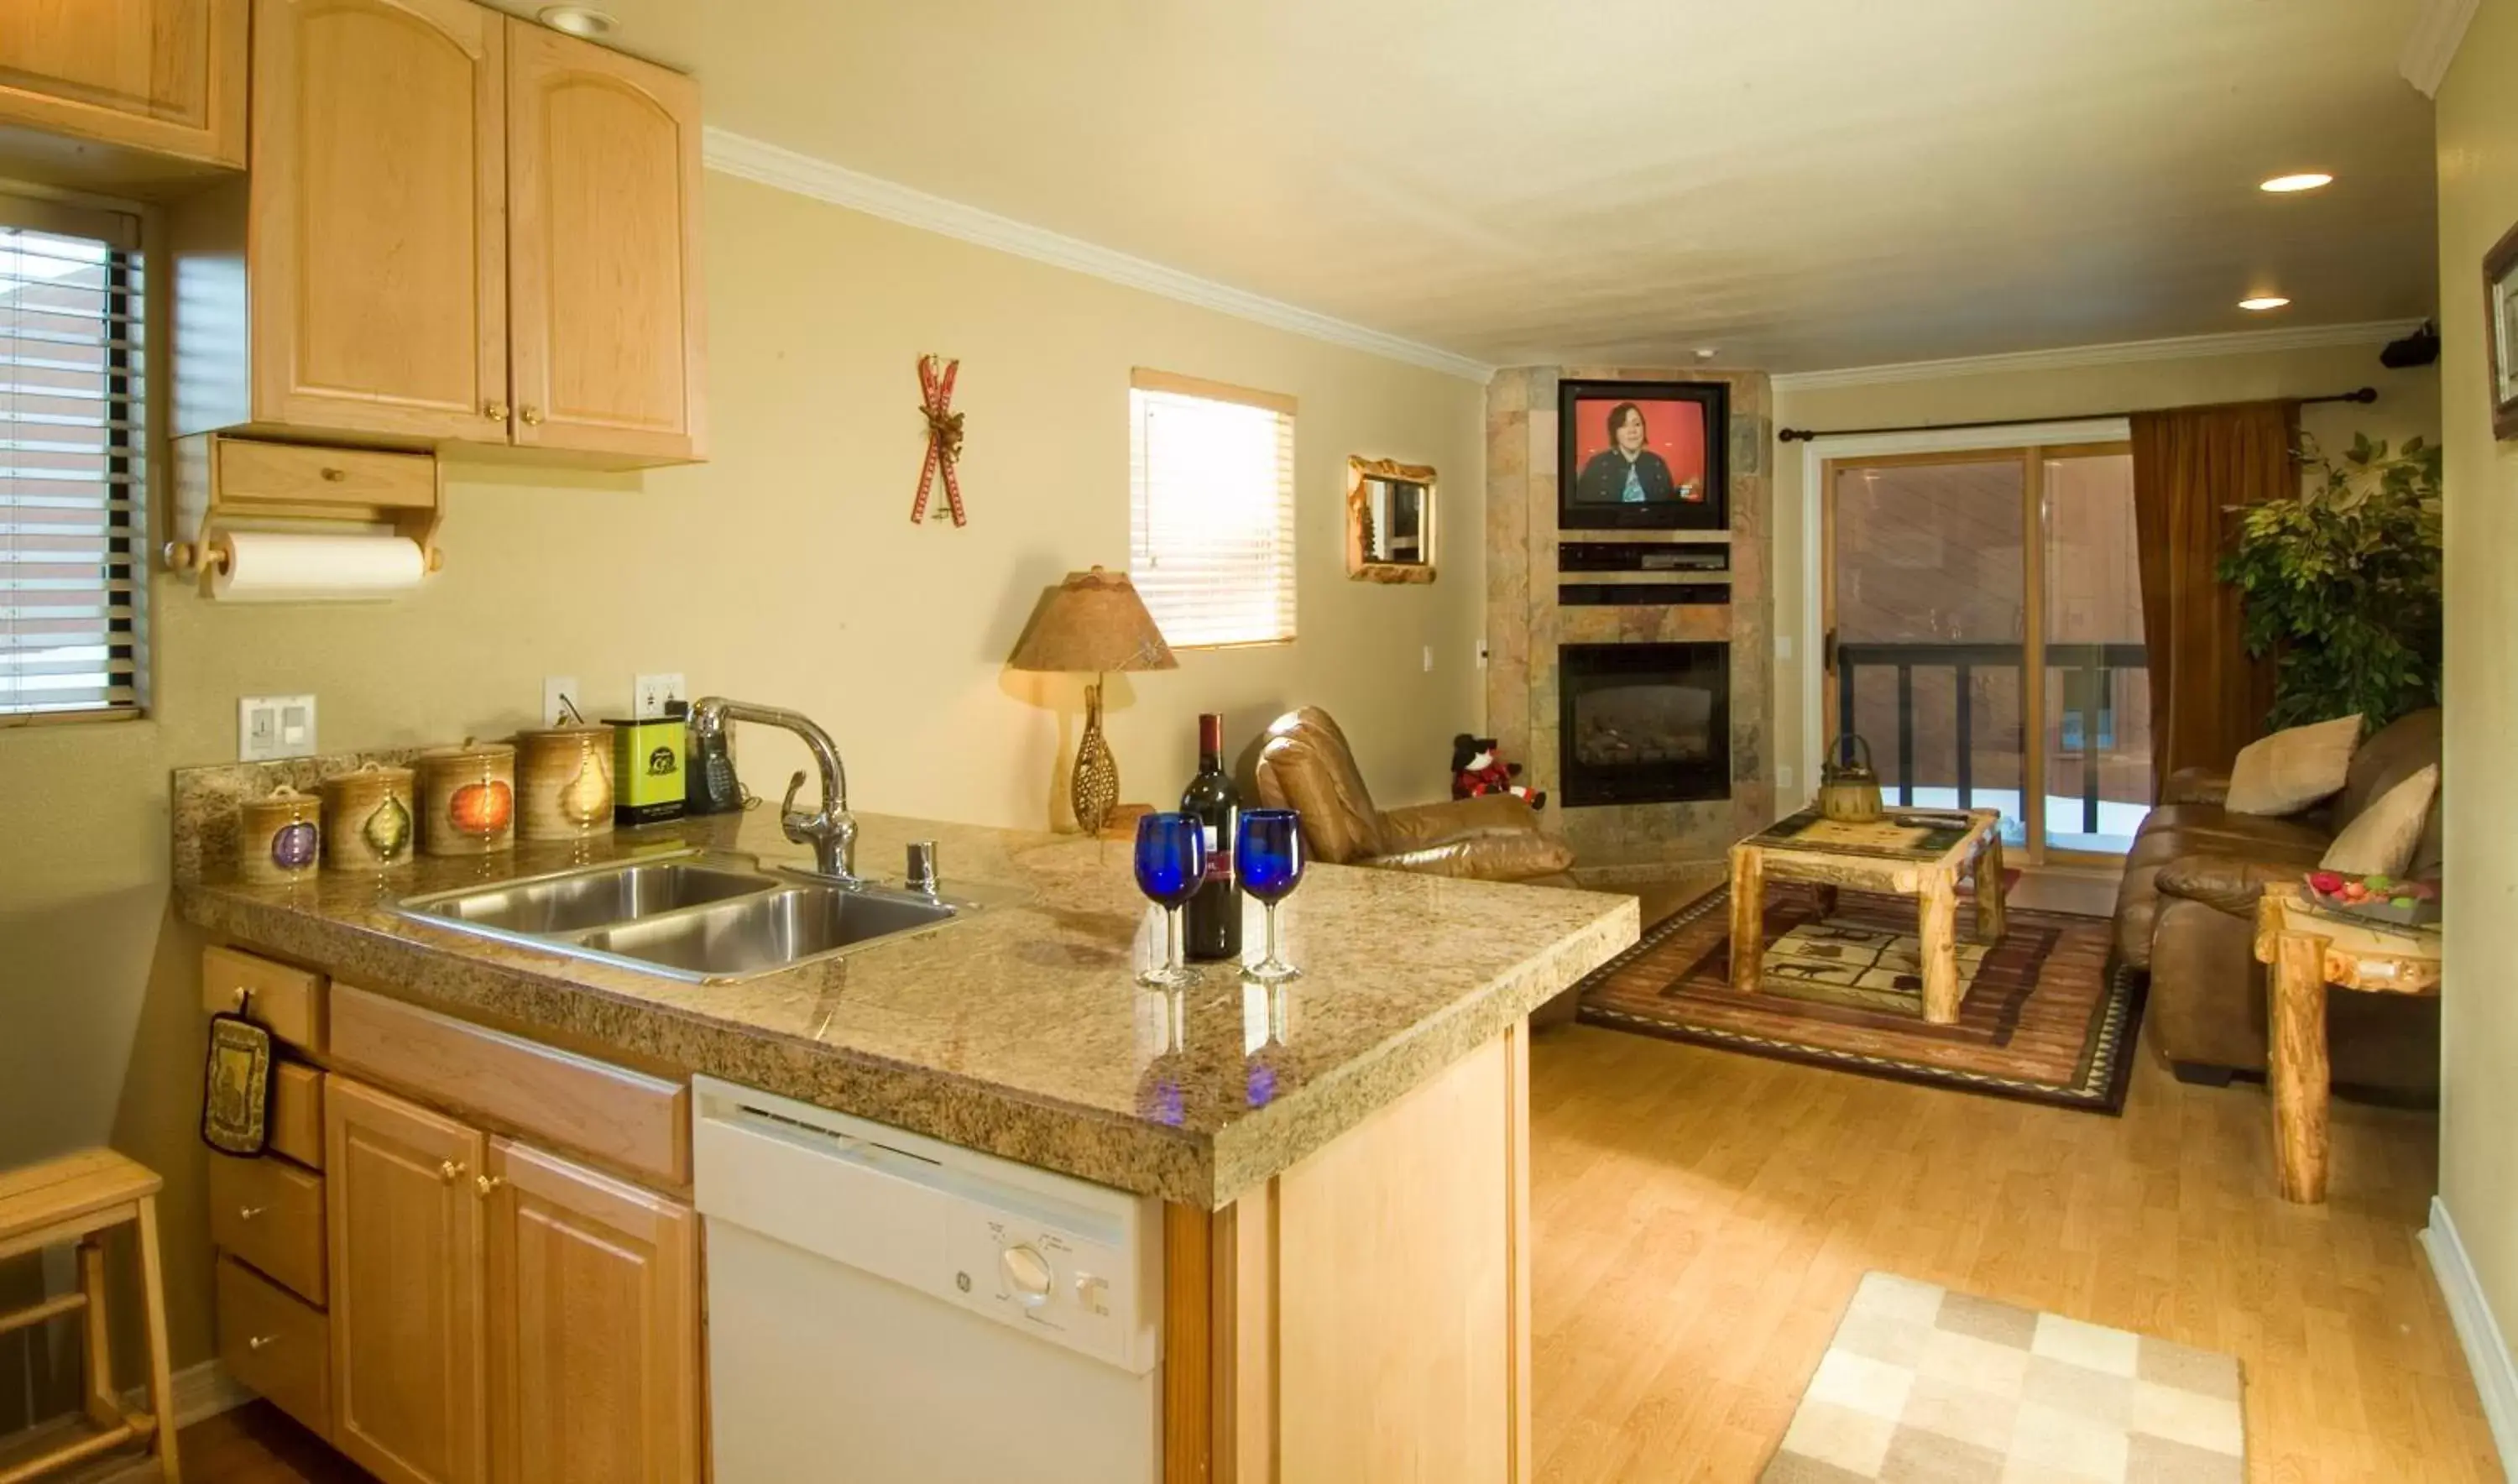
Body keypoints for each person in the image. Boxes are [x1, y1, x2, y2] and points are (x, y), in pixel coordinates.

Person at [1575, 402, 1677, 504]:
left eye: (1637, 424)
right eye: (1624, 426)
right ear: (1614, 431)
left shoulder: (1657, 463)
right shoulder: (1597, 465)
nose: (1632, 431)